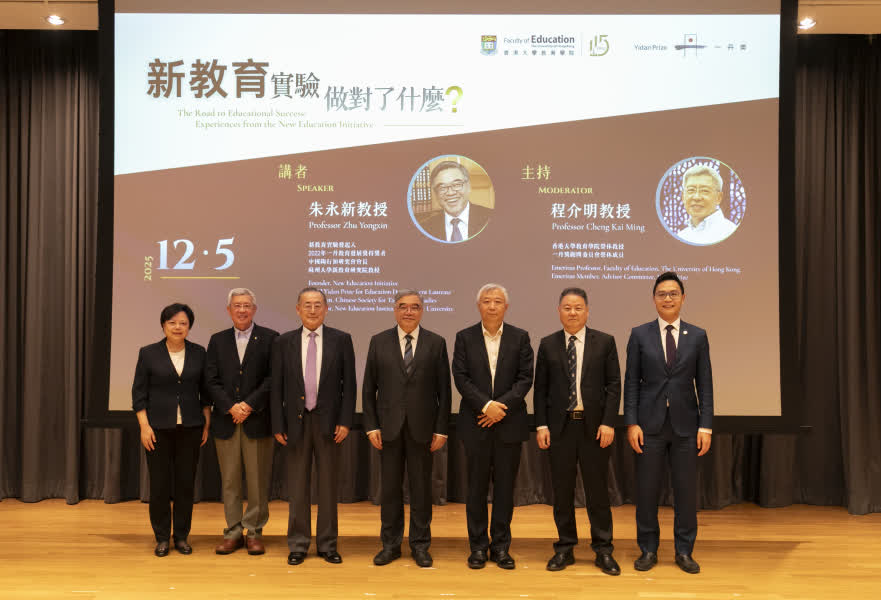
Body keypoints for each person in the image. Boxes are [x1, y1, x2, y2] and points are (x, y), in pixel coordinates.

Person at [624, 271, 713, 574]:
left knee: (685, 493)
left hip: (686, 427)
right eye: (662, 294)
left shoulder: (697, 335)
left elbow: (705, 384)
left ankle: (684, 551)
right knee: (647, 491)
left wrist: (705, 426)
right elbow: (631, 382)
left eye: (673, 293)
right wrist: (631, 423)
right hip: (648, 426)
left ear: (683, 298)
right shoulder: (639, 334)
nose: (667, 298)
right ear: (654, 299)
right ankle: (648, 549)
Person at [533, 288, 622, 575]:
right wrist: (541, 425)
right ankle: (565, 548)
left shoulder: (605, 342)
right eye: (567, 307)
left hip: (594, 428)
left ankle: (603, 549)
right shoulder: (548, 344)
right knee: (562, 491)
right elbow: (540, 389)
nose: (573, 312)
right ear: (559, 311)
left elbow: (613, 386)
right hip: (560, 429)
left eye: (578, 307)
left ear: (587, 310)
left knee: (597, 491)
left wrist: (608, 422)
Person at [363, 289, 451, 568]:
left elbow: (444, 391)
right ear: (395, 310)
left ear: (422, 311)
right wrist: (371, 426)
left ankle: (420, 545)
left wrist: (441, 429)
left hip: (423, 430)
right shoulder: (378, 341)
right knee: (390, 490)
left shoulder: (436, 343)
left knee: (421, 490)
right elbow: (368, 389)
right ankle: (390, 545)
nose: (408, 311)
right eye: (403, 306)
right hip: (388, 429)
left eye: (414, 307)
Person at [271, 287, 356, 565]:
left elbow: (349, 385)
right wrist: (278, 423)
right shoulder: (283, 342)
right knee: (297, 487)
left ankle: (328, 544)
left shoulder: (341, 340)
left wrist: (346, 421)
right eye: (307, 305)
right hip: (295, 423)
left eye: (318, 305)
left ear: (326, 309)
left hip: (329, 424)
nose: (312, 310)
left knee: (328, 487)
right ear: (297, 309)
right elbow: (276, 387)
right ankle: (298, 544)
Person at [452, 284, 533, 570]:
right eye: (486, 301)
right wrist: (486, 406)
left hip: (509, 424)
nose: (492, 306)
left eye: (497, 301)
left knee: (504, 490)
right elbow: (461, 377)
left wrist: (500, 408)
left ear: (506, 307)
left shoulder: (520, 337)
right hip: (476, 423)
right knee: (475, 490)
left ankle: (500, 547)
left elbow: (525, 378)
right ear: (479, 306)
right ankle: (477, 547)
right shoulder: (464, 337)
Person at [132, 303, 210, 557]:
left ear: (189, 327)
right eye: (172, 323)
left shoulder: (199, 352)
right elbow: (138, 395)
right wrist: (144, 427)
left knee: (186, 485)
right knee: (160, 485)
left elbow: (206, 394)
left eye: (183, 323)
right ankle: (162, 537)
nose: (178, 327)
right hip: (157, 429)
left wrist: (206, 424)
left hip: (191, 428)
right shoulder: (148, 353)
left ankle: (182, 537)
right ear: (163, 325)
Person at [205, 288, 278, 556]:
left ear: (254, 309)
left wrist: (248, 405)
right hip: (226, 420)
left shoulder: (271, 338)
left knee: (258, 482)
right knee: (230, 481)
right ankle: (233, 532)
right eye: (237, 305)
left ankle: (254, 532)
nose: (242, 310)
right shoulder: (217, 340)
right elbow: (210, 380)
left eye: (247, 305)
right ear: (229, 310)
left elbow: (273, 378)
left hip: (257, 420)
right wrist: (230, 406)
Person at [418, 160, 491, 242]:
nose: (450, 193)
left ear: (469, 186)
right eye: (442, 187)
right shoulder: (424, 228)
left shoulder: (491, 218)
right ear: (435, 193)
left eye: (457, 185)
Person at [676, 165, 738, 245]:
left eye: (704, 191)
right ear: (683, 197)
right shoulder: (682, 236)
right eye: (691, 190)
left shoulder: (730, 233)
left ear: (719, 197)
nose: (697, 197)